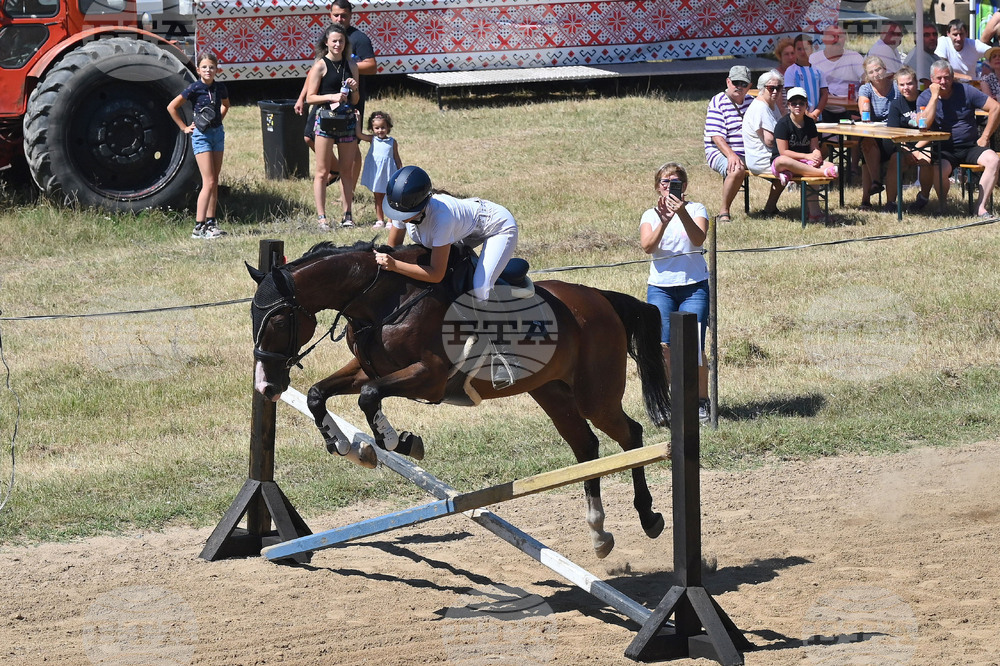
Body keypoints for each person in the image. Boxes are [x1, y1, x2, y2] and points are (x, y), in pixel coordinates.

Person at [375, 166, 520, 388]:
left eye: (404, 216)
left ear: (421, 205)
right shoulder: (401, 206)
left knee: (480, 287)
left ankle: (505, 354)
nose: (399, 219)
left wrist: (394, 265)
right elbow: (392, 248)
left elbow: (435, 274)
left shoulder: (441, 218)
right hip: (463, 228)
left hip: (496, 227)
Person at [638, 162, 710, 424]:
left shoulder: (696, 209)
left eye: (675, 182)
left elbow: (699, 238)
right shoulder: (649, 215)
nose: (670, 186)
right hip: (661, 289)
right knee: (663, 348)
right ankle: (666, 404)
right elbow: (648, 246)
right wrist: (664, 221)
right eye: (665, 182)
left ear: (685, 186)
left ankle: (701, 401)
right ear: (658, 186)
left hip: (694, 286)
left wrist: (680, 214)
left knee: (693, 346)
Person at [295, 0, 376, 187]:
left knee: (351, 145)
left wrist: (346, 68)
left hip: (350, 99)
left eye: (344, 15)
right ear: (330, 15)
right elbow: (316, 70)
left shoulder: (359, 38)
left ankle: (349, 189)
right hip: (324, 98)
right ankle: (338, 169)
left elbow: (372, 66)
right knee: (309, 136)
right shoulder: (327, 37)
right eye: (336, 15)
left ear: (350, 16)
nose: (340, 18)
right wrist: (301, 97)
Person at [917, 60, 1000, 216]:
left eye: (947, 77)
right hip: (944, 148)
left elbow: (995, 108)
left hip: (970, 145)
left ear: (953, 77)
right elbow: (924, 125)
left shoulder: (966, 91)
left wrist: (985, 136)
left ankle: (980, 207)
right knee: (939, 169)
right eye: (939, 78)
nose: (943, 82)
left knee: (993, 160)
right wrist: (934, 97)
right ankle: (942, 205)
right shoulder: (925, 97)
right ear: (931, 79)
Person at [167, 53, 230, 239]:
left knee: (214, 181)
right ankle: (198, 227)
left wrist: (217, 120)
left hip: (217, 135)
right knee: (208, 181)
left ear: (217, 69)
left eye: (211, 67)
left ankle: (211, 223)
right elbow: (172, 107)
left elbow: (226, 105)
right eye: (204, 67)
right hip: (201, 136)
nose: (208, 70)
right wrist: (184, 127)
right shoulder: (194, 88)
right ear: (198, 70)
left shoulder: (220, 88)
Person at [305, 23, 360, 230]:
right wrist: (331, 96)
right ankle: (322, 217)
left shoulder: (351, 66)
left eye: (341, 41)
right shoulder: (320, 65)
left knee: (347, 170)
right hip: (325, 119)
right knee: (322, 170)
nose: (337, 44)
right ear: (326, 42)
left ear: (346, 43)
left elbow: (355, 100)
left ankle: (347, 215)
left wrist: (354, 90)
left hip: (346, 119)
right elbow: (310, 97)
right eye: (334, 41)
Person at [770, 86, 839, 223]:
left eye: (801, 103)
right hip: (784, 162)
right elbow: (783, 152)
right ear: (788, 105)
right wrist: (808, 157)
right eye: (794, 103)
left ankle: (815, 214)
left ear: (806, 105)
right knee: (783, 160)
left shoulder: (809, 123)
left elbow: (814, 146)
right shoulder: (783, 124)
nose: (797, 106)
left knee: (830, 164)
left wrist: (817, 155)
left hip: (803, 164)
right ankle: (820, 173)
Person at [884, 66, 944, 212]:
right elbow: (893, 131)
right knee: (895, 160)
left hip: (926, 142)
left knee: (926, 158)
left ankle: (923, 198)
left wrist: (917, 149)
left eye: (909, 83)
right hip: (904, 146)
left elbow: (934, 129)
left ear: (916, 83)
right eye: (902, 84)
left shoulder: (926, 99)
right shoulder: (896, 104)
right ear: (897, 86)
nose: (906, 88)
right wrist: (907, 150)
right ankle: (891, 203)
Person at [703, 65, 753, 224]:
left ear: (749, 86)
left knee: (780, 164)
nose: (739, 87)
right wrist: (731, 155)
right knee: (736, 168)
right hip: (719, 151)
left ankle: (770, 207)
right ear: (728, 82)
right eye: (735, 82)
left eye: (743, 84)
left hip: (749, 152)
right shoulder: (718, 101)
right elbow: (716, 137)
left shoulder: (753, 102)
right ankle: (724, 211)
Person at [741, 70, 785, 214]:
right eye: (771, 88)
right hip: (761, 158)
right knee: (793, 166)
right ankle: (811, 209)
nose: (775, 92)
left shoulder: (771, 105)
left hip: (769, 155)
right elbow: (770, 140)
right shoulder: (761, 107)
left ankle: (770, 207)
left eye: (778, 88)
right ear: (762, 88)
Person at [857, 56, 898, 208]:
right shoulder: (866, 88)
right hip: (874, 135)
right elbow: (863, 105)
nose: (876, 74)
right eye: (871, 72)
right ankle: (874, 185)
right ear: (867, 75)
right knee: (866, 144)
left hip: (894, 134)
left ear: (885, 69)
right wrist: (864, 110)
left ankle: (875, 193)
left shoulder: (896, 87)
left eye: (878, 69)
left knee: (867, 151)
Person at [356, 110, 403, 230]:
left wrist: (400, 171)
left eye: (383, 127)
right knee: (378, 197)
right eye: (377, 128)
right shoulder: (372, 139)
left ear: (388, 127)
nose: (380, 130)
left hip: (388, 173)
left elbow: (396, 158)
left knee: (389, 197)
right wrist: (358, 119)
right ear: (372, 128)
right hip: (376, 173)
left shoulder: (392, 142)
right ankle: (380, 220)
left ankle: (390, 220)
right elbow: (359, 135)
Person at [810, 23, 865, 123]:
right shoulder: (814, 59)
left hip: (850, 109)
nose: (836, 40)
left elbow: (867, 79)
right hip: (822, 109)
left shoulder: (854, 57)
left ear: (844, 40)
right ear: (824, 40)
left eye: (840, 36)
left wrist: (860, 96)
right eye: (832, 36)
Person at [785, 34, 828, 120]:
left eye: (806, 48)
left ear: (811, 49)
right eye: (799, 49)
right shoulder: (791, 71)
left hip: (816, 118)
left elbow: (824, 94)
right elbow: (790, 95)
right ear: (794, 50)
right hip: (798, 118)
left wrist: (816, 113)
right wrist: (807, 114)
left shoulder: (819, 70)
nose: (802, 52)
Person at [904, 22, 941, 87]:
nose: (932, 38)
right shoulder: (918, 57)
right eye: (927, 35)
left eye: (934, 34)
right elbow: (926, 86)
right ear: (917, 39)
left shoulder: (931, 55)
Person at [774, 37, 796, 115]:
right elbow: (780, 107)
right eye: (786, 54)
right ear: (780, 56)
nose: (790, 57)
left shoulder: (801, 72)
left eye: (792, 53)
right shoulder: (775, 75)